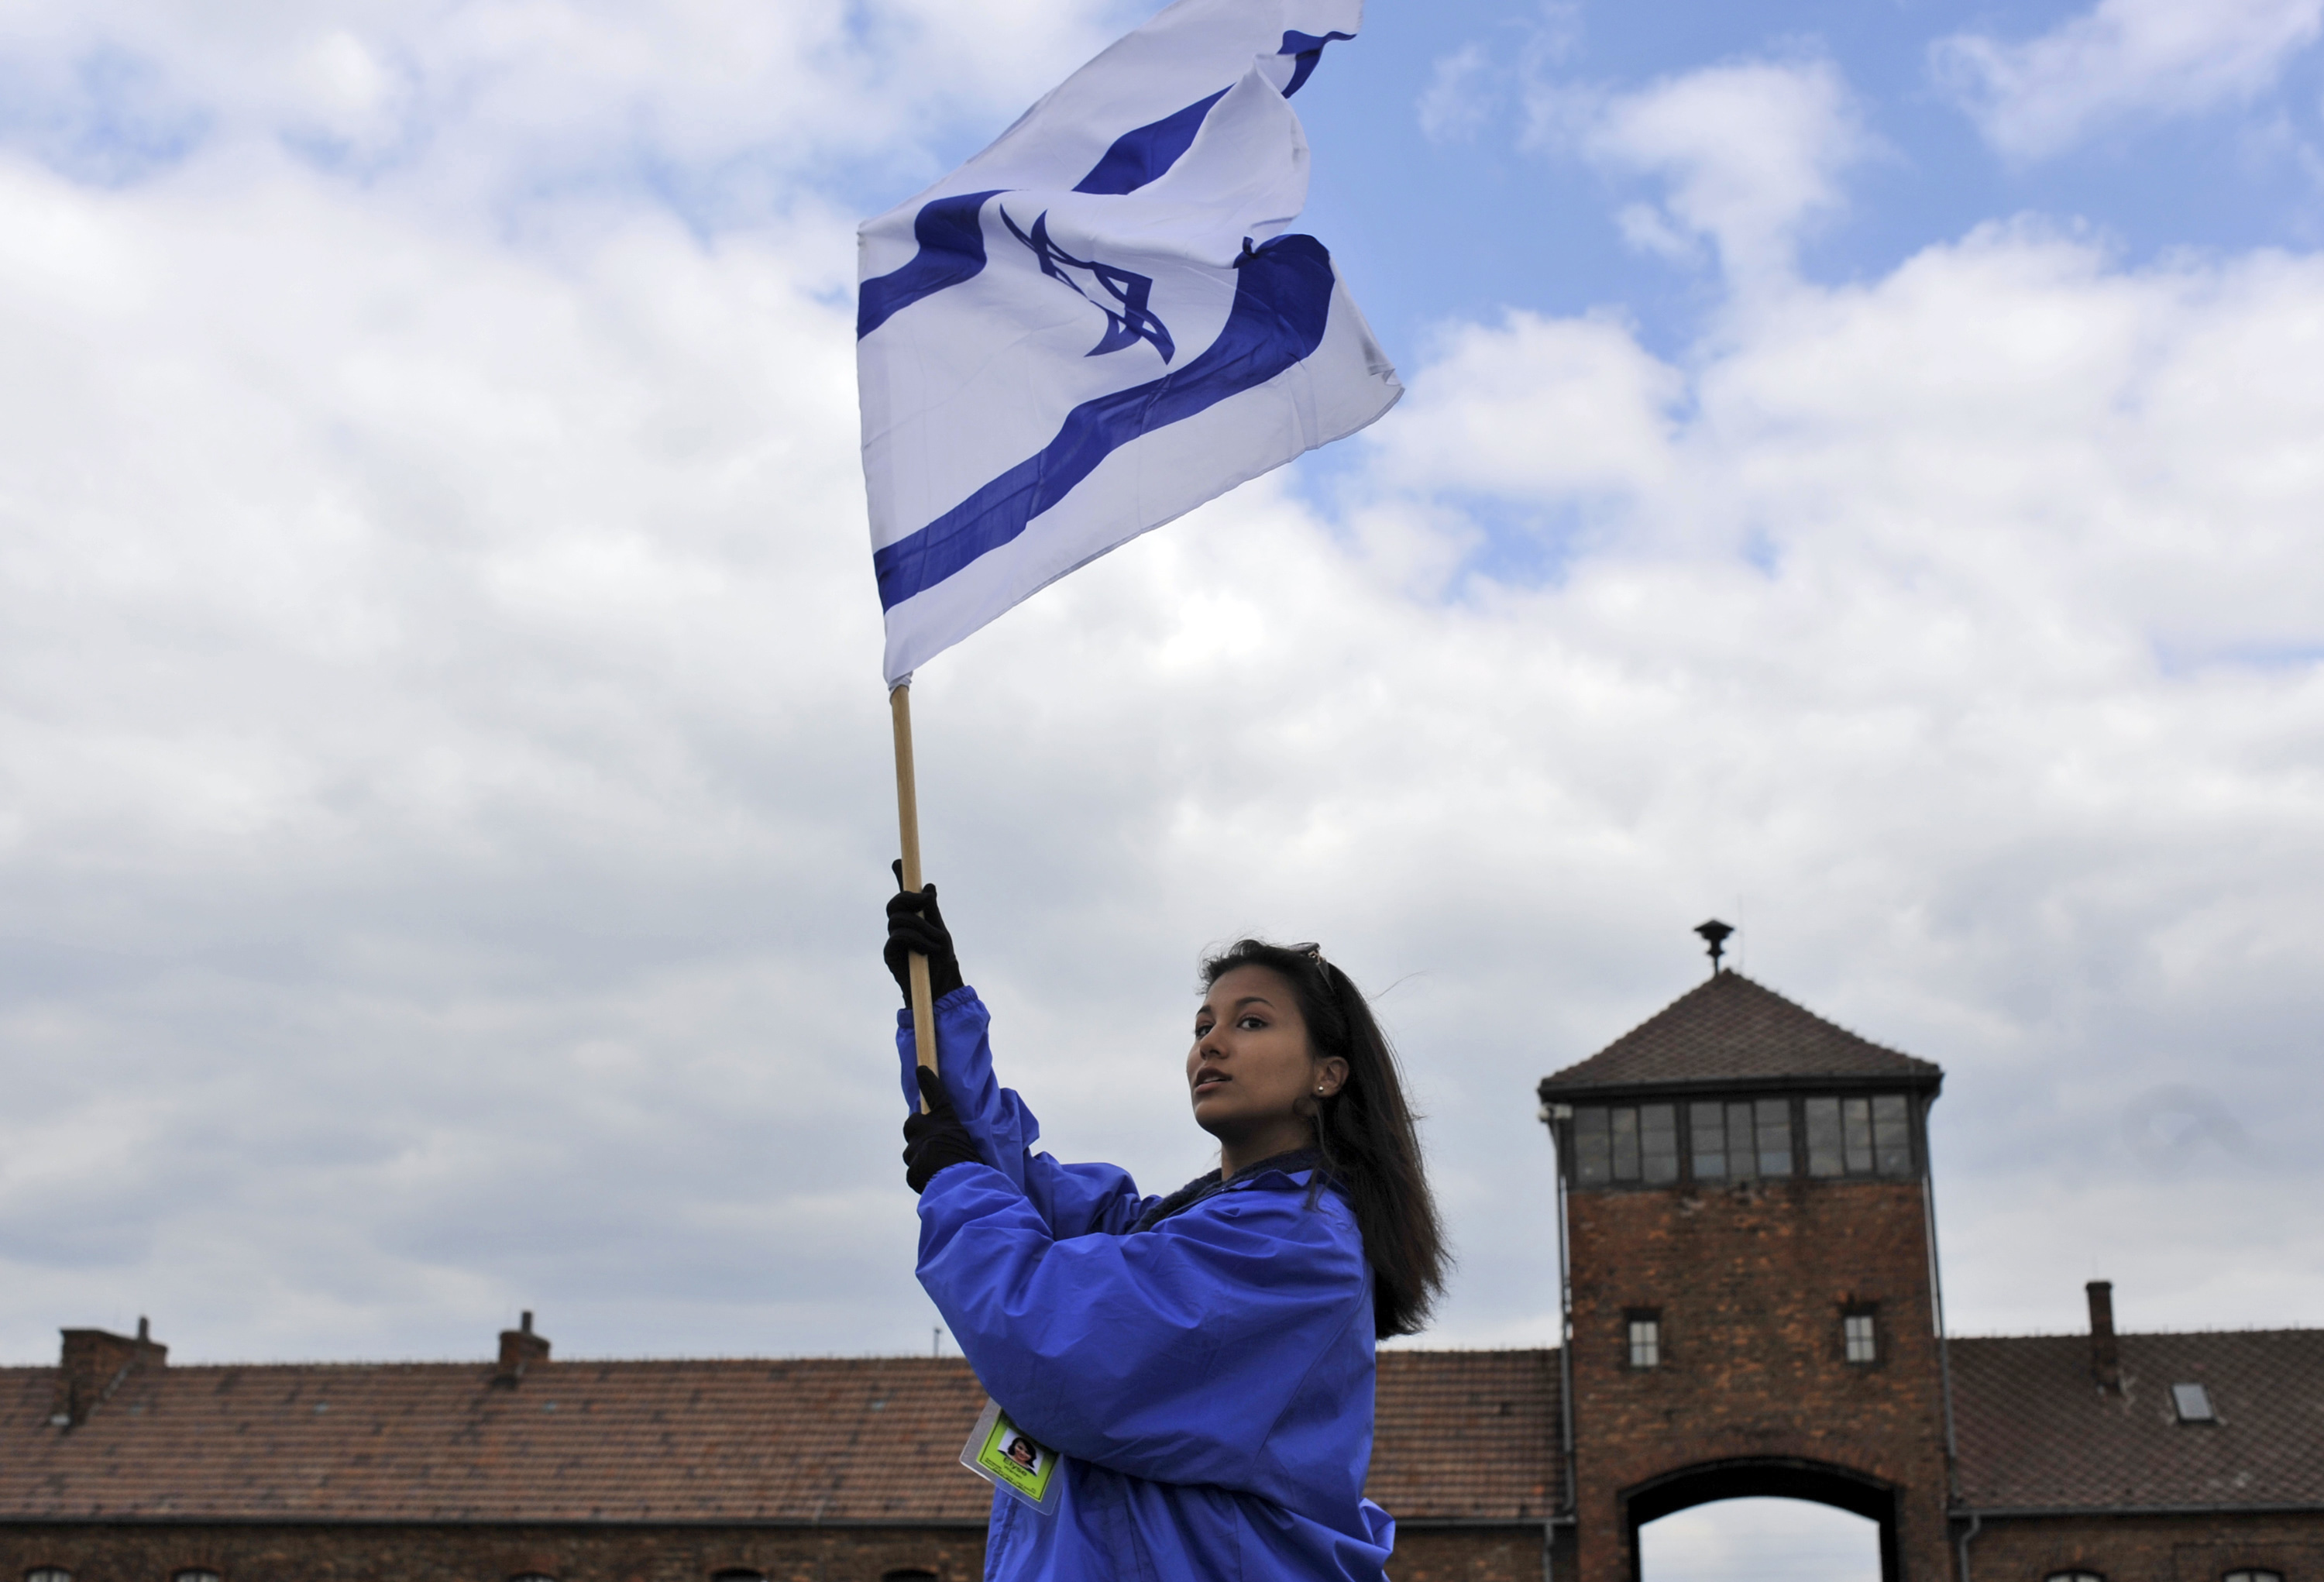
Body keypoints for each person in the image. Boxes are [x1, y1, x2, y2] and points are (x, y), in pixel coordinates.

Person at [884, 873, 1447, 1582]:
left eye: (1250, 1022)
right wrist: (939, 1008)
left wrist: (954, 1180)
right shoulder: (1175, 1229)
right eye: (1202, 1026)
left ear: (1327, 1075)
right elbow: (1023, 1190)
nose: (1211, 1043)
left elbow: (1052, 1338)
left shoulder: (1291, 1246)